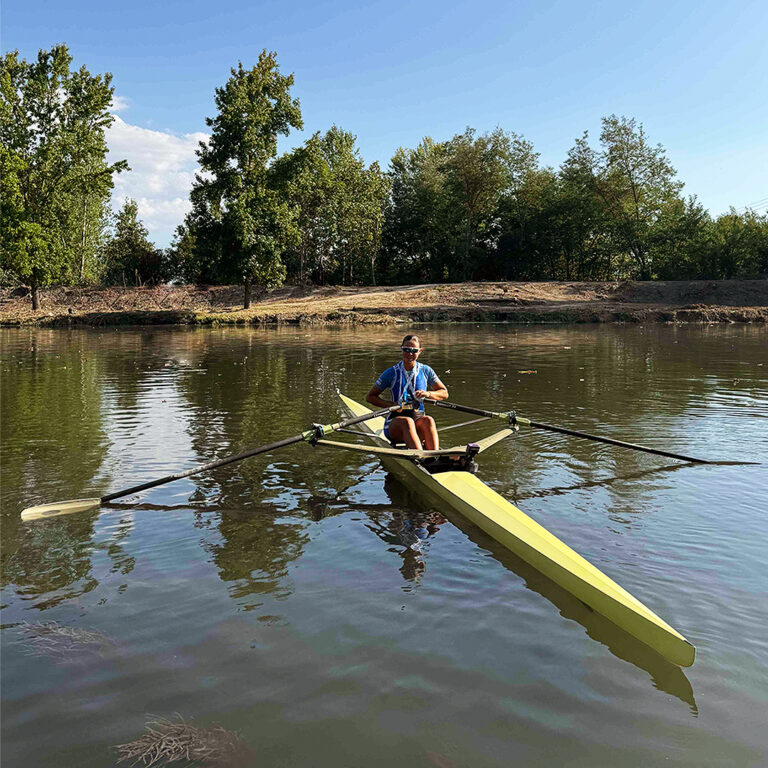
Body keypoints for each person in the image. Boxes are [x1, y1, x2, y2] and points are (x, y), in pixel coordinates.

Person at [366, 334, 448, 450]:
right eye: (406, 350)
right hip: (395, 424)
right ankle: (420, 457)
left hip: (417, 419)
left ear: (420, 351)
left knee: (429, 420)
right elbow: (370, 397)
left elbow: (444, 393)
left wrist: (428, 394)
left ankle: (434, 457)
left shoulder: (426, 371)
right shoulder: (391, 373)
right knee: (407, 422)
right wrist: (392, 405)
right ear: (402, 349)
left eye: (413, 351)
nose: (409, 354)